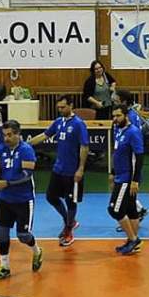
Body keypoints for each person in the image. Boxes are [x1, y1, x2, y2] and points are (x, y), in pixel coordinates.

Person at [0, 120, 44, 279]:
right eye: (4, 135)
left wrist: (8, 183)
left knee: (23, 236)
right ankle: (5, 266)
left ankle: (37, 251)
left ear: (18, 134)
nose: (6, 138)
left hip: (24, 199)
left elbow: (27, 175)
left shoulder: (26, 150)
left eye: (10, 135)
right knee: (1, 233)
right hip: (5, 199)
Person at [27, 95, 89, 247]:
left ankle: (68, 231)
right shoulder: (58, 122)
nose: (60, 110)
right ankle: (69, 221)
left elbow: (84, 147)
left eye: (63, 107)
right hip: (58, 169)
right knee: (51, 196)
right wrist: (26, 144)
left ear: (71, 105)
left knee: (71, 201)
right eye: (59, 107)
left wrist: (80, 168)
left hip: (72, 171)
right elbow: (44, 135)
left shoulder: (78, 124)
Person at [109, 104, 144, 255]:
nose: (115, 119)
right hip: (119, 175)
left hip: (127, 178)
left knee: (114, 210)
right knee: (131, 211)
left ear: (126, 116)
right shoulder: (118, 130)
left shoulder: (133, 132)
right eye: (114, 116)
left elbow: (139, 157)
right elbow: (117, 152)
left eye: (118, 116)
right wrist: (112, 172)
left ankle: (133, 239)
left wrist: (135, 180)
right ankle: (132, 242)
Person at [113, 89, 149, 222]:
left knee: (121, 202)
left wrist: (135, 177)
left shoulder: (130, 118)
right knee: (128, 197)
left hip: (128, 166)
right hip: (123, 165)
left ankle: (136, 214)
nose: (114, 102)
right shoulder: (128, 115)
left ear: (123, 101)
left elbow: (134, 146)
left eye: (116, 100)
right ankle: (136, 213)